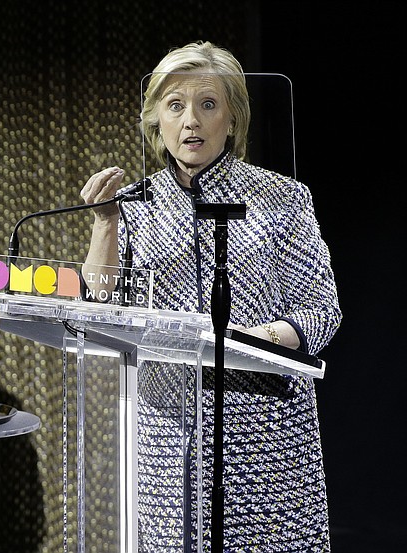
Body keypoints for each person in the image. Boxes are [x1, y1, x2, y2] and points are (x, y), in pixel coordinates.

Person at [80, 41, 341, 551]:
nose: (190, 122)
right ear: (156, 119)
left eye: (207, 104)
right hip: (167, 432)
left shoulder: (281, 197)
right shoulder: (134, 204)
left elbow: (320, 310)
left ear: (232, 119)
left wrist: (255, 339)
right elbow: (102, 305)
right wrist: (105, 223)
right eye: (175, 106)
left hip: (263, 431)